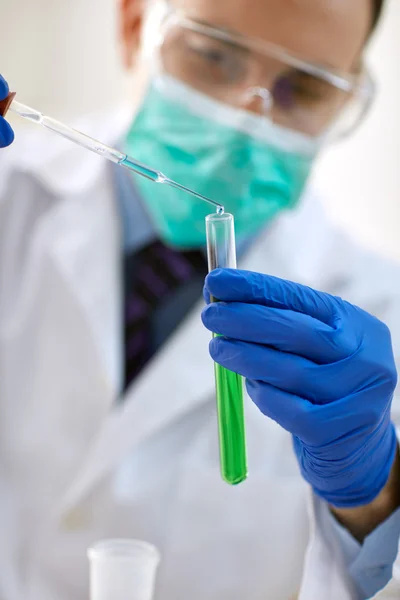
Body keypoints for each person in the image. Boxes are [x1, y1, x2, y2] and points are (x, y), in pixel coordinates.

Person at [0, 0, 399, 599]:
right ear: (135, 26)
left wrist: (376, 497)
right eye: (213, 54)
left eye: (307, 88)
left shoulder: (377, 309)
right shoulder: (10, 199)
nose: (248, 116)